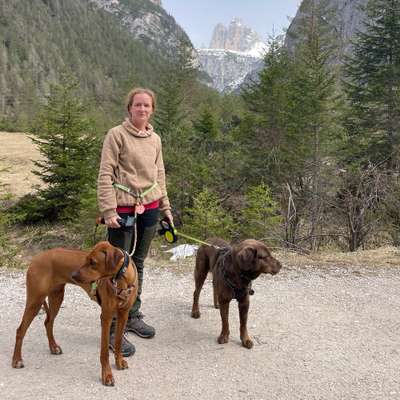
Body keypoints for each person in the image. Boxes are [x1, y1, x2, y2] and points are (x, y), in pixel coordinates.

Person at [97, 87, 173, 357]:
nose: (142, 109)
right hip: (122, 208)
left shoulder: (156, 139)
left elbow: (160, 174)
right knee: (116, 266)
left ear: (152, 110)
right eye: (137, 105)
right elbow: (105, 173)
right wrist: (108, 210)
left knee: (138, 262)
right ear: (129, 108)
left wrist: (166, 208)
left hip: (150, 207)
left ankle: (132, 314)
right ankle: (113, 325)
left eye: (147, 106)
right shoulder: (116, 135)